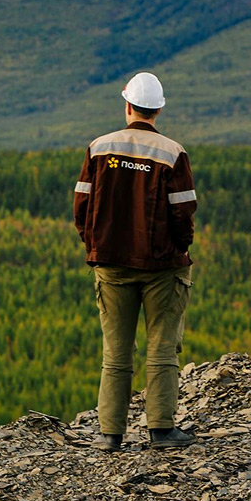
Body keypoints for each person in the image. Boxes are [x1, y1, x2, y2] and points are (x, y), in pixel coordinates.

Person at [73, 71, 198, 451]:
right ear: (158, 109)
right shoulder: (173, 153)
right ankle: (161, 429)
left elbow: (82, 206)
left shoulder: (99, 148)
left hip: (110, 264)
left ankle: (110, 433)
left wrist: (96, 244)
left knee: (116, 352)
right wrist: (178, 252)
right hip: (162, 267)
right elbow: (184, 212)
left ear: (127, 105)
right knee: (161, 347)